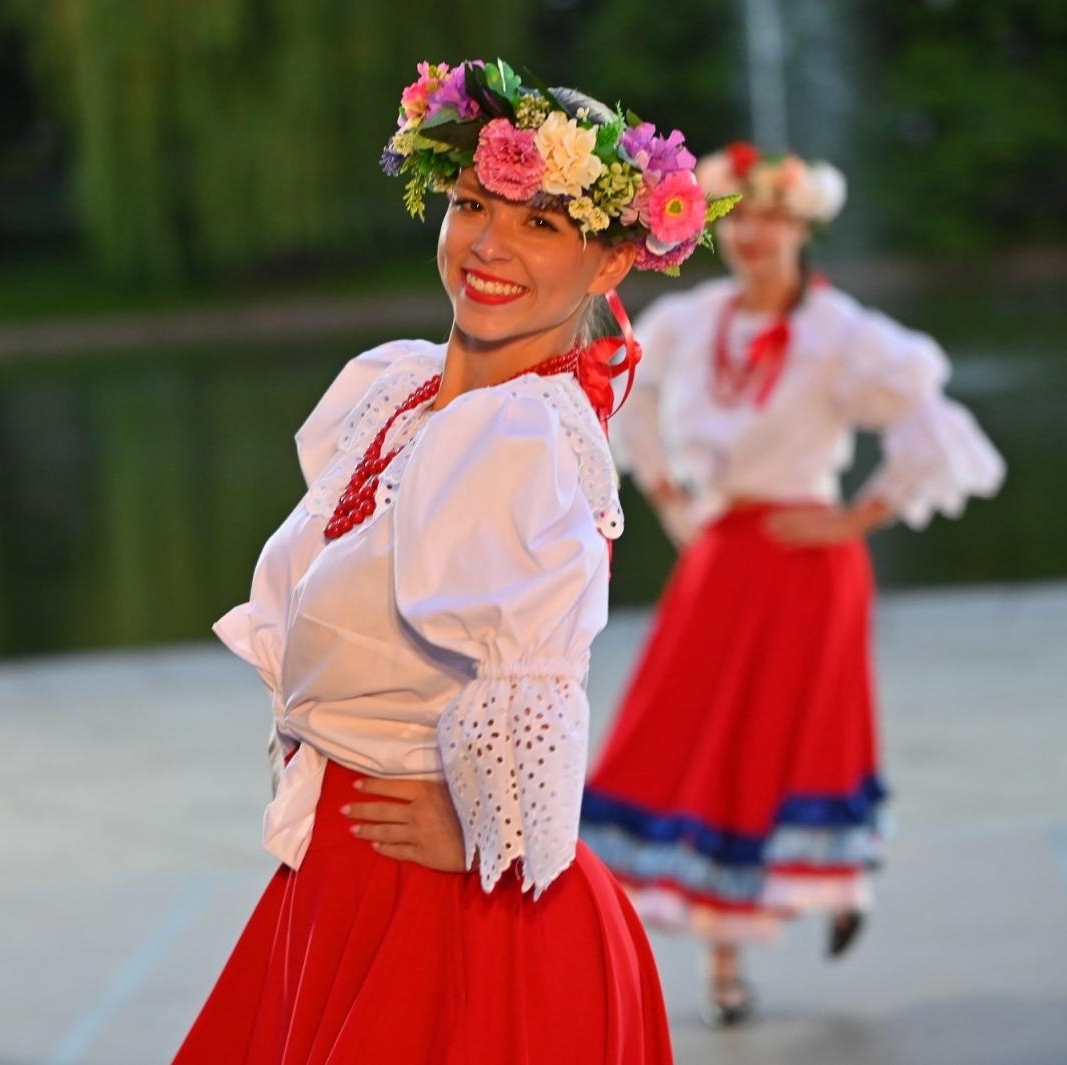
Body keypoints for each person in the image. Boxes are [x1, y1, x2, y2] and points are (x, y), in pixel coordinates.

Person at [172, 59, 735, 1064]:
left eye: (540, 223)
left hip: (448, 906)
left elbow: (544, 669)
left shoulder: (519, 435)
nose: (489, 244)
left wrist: (490, 825)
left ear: (610, 266)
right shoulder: (397, 388)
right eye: (473, 203)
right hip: (342, 876)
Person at [579, 142, 1005, 1026]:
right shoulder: (692, 321)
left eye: (774, 217)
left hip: (809, 561)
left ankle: (828, 878)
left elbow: (934, 424)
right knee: (703, 739)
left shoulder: (841, 333)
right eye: (740, 218)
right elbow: (628, 395)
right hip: (725, 555)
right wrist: (666, 492)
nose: (755, 235)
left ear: (803, 227)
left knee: (801, 734)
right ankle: (724, 964)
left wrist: (858, 515)